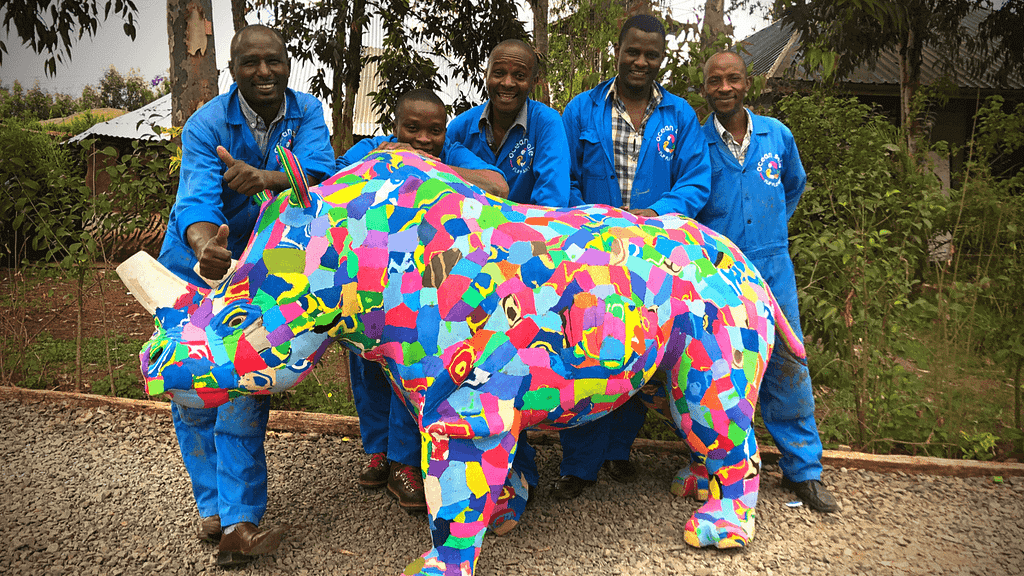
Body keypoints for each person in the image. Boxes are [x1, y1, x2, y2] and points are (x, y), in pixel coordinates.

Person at [156, 24, 336, 566]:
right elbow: (196, 203)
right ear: (231, 70)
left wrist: (264, 177)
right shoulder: (207, 123)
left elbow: (322, 177)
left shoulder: (306, 114)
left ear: (288, 64)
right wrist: (208, 247)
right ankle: (212, 508)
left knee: (242, 386)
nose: (264, 73)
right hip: (194, 266)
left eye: (273, 62)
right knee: (191, 387)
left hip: (262, 272)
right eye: (250, 63)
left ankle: (240, 520)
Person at [555, 13, 712, 500]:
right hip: (591, 255)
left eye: (651, 54)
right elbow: (565, 180)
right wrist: (597, 217)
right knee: (583, 347)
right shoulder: (581, 110)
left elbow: (695, 181)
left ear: (661, 58)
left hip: (652, 257)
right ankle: (580, 465)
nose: (641, 62)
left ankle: (619, 452)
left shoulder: (679, 115)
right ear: (617, 50)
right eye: (633, 52)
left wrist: (655, 214)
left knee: (640, 348)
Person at [336, 88, 509, 512]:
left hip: (422, 289)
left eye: (434, 130)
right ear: (392, 127)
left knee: (407, 365)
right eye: (412, 129)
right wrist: (387, 160)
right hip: (369, 282)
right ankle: (377, 450)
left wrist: (429, 167)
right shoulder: (374, 149)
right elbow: (331, 181)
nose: (423, 138)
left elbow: (498, 185)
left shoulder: (452, 154)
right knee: (368, 364)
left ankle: (402, 461)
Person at [692, 50, 838, 513]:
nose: (725, 88)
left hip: (774, 268)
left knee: (787, 361)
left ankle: (804, 471)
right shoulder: (697, 145)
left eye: (732, 79)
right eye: (715, 81)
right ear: (705, 88)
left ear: (747, 83)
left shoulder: (777, 136)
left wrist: (771, 235)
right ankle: (721, 467)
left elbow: (792, 185)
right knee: (722, 367)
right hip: (722, 274)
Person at [446, 39, 571, 208]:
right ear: (486, 74)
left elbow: (552, 202)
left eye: (519, 76)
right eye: (498, 73)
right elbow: (432, 168)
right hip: (472, 229)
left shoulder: (546, 124)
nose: (507, 83)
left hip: (530, 230)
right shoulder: (461, 127)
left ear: (534, 81)